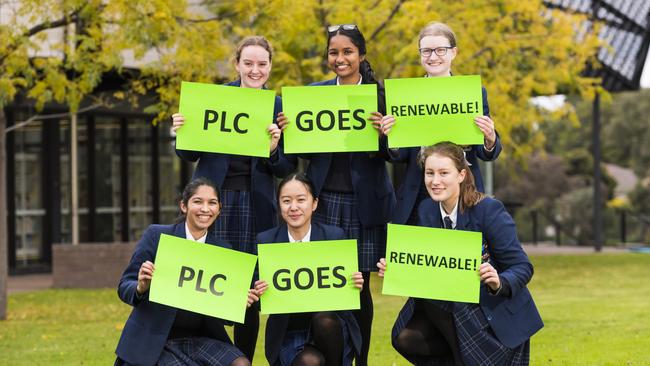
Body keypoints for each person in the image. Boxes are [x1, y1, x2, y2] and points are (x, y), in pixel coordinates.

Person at [171, 36, 295, 360]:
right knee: (209, 282)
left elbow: (287, 165)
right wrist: (181, 128)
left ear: (270, 66)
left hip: (256, 205)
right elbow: (188, 152)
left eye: (262, 64)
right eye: (249, 63)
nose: (255, 70)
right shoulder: (214, 98)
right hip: (214, 201)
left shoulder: (279, 107)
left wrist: (272, 150)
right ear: (237, 64)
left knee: (249, 289)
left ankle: (243, 360)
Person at [277, 24, 395, 366]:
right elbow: (297, 152)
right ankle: (327, 354)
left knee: (359, 286)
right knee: (326, 286)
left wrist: (386, 135)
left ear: (361, 55)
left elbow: (396, 155)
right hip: (323, 203)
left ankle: (362, 359)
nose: (340, 58)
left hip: (366, 205)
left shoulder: (381, 96)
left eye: (347, 52)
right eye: (333, 52)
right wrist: (289, 130)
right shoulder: (312, 95)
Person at [377, 142, 542, 365]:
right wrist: (398, 270)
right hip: (452, 311)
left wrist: (499, 281)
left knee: (444, 303)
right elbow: (429, 267)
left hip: (492, 316)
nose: (435, 181)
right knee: (405, 337)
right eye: (429, 173)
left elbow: (523, 267)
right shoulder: (426, 210)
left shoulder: (488, 210)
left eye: (444, 173)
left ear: (462, 175)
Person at [115, 178, 258, 366]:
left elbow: (223, 314)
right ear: (184, 206)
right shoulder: (157, 236)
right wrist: (141, 287)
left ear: (219, 209)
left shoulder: (223, 250)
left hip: (201, 338)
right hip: (157, 338)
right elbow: (124, 286)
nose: (205, 209)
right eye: (198, 201)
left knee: (241, 364)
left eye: (212, 203)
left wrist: (238, 303)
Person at [386, 22, 502, 225]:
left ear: (453, 52)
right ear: (420, 54)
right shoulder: (406, 95)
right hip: (419, 191)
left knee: (461, 254)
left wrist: (490, 138)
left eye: (440, 50)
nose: (433, 57)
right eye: (427, 51)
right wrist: (392, 138)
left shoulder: (472, 93)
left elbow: (485, 154)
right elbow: (401, 156)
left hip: (463, 191)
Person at [252, 172, 364, 366]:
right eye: (286, 201)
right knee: (310, 362)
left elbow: (345, 296)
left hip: (331, 326)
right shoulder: (266, 241)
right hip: (289, 329)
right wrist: (259, 293)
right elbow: (260, 302)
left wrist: (354, 285)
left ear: (314, 204)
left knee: (324, 320)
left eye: (301, 200)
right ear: (279, 204)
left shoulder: (334, 236)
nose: (293, 207)